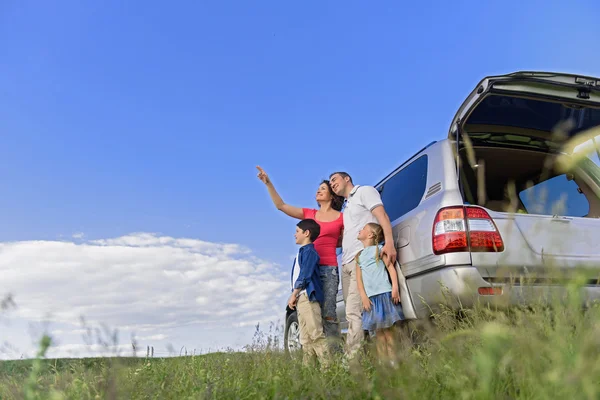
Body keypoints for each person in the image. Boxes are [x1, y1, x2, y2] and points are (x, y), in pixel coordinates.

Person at [256, 166, 344, 344]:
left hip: (329, 270)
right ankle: (314, 359)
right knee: (310, 314)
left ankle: (335, 359)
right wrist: (268, 183)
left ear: (332, 196)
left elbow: (343, 241)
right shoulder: (310, 214)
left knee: (329, 315)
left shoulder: (342, 217)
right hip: (310, 271)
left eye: (323, 188)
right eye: (318, 188)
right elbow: (281, 206)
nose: (318, 190)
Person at [328, 171, 397, 359]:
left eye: (334, 179)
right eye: (330, 182)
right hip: (347, 262)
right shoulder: (347, 206)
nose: (332, 183)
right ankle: (373, 357)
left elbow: (381, 215)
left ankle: (351, 361)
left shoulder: (364, 191)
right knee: (357, 314)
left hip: (362, 261)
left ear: (347, 179)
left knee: (353, 312)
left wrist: (389, 242)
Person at [355, 222, 404, 366]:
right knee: (378, 334)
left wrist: (395, 287)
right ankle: (384, 364)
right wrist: (364, 297)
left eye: (363, 228)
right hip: (371, 300)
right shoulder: (359, 257)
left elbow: (390, 268)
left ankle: (394, 362)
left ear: (370, 235)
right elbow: (359, 280)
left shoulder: (379, 250)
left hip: (384, 295)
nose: (360, 229)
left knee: (388, 332)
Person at [288, 219, 330, 368]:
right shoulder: (301, 252)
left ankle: (328, 369)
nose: (294, 234)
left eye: (297, 231)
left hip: (308, 297)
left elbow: (305, 274)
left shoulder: (310, 252)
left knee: (316, 334)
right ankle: (309, 372)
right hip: (302, 298)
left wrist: (295, 292)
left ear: (306, 233)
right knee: (305, 338)